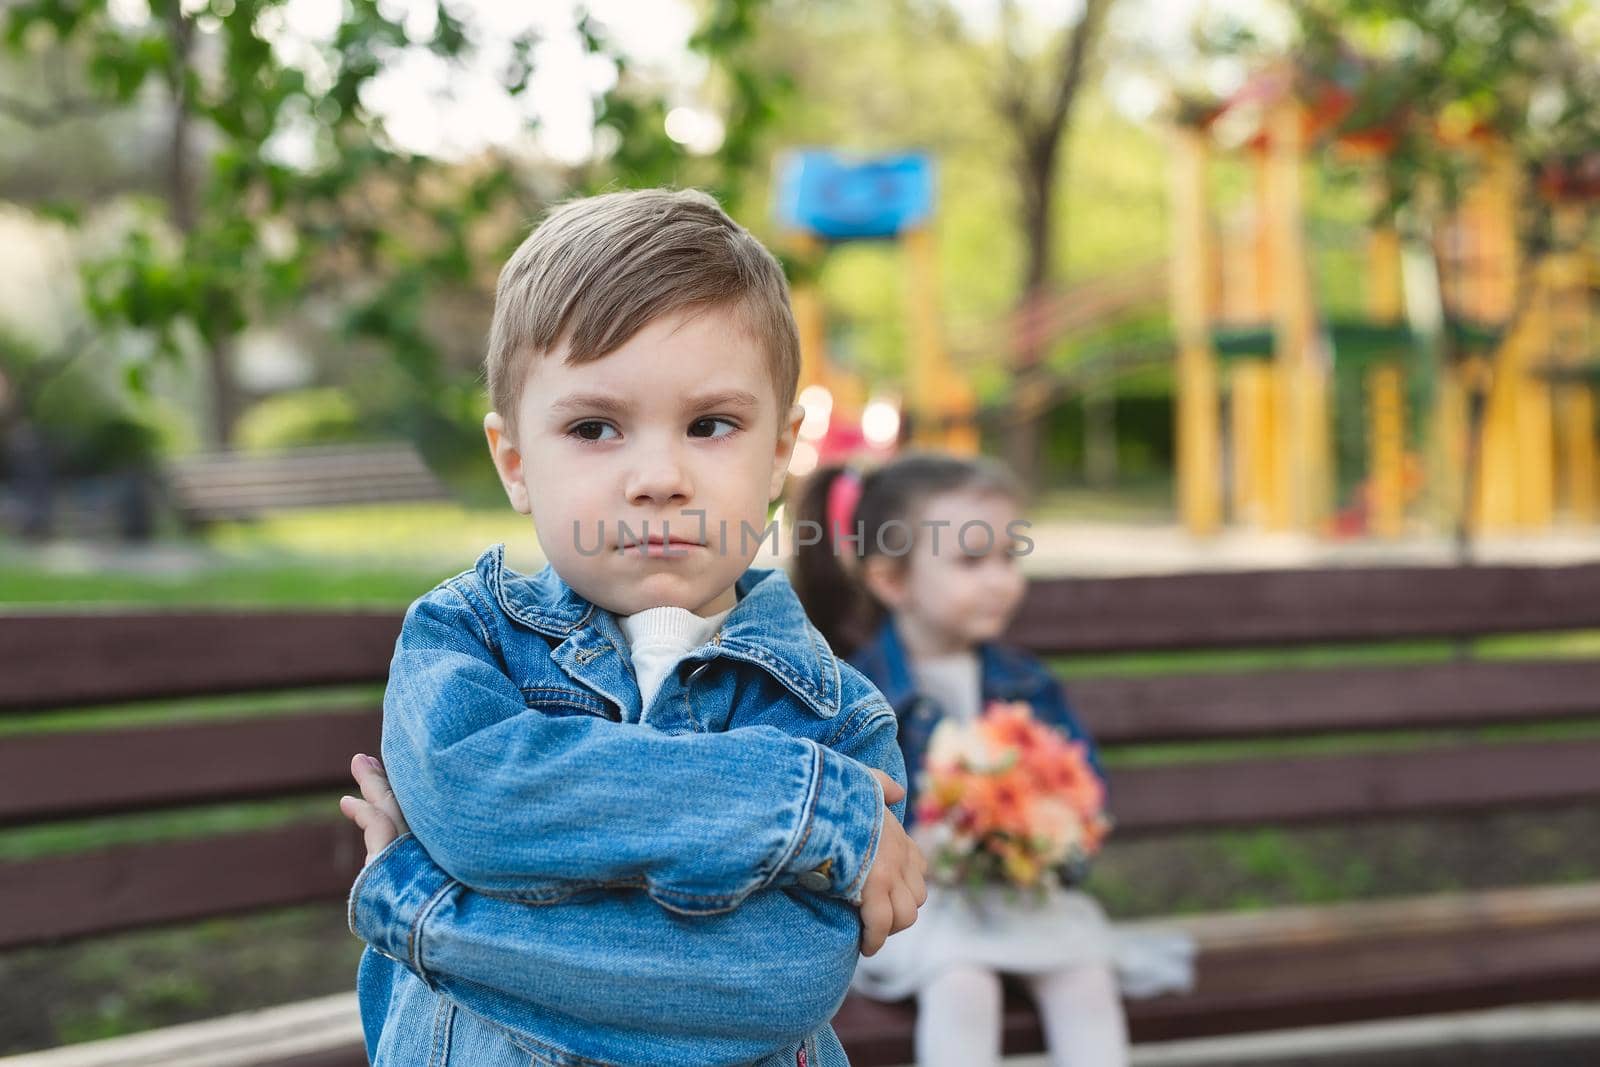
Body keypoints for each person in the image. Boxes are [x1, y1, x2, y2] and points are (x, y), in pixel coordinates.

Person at [338, 188, 926, 1067]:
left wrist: (420, 905)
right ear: (515, 460)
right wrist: (795, 806)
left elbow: (766, 985)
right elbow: (480, 803)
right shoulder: (464, 639)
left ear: (778, 453)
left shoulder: (838, 717)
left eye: (710, 424)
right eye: (594, 426)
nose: (658, 476)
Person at [791, 453, 1131, 1067]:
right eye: (973, 561)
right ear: (891, 580)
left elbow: (1083, 787)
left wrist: (1048, 833)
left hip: (1013, 896)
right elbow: (845, 823)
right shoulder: (857, 694)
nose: (1002, 580)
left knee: (1084, 976)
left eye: (1009, 557)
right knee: (963, 982)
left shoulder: (1028, 684)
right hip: (920, 912)